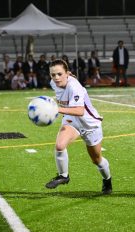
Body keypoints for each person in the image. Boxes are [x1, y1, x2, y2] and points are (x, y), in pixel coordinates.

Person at [45, 59, 112, 194]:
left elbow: (80, 111)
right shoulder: (54, 83)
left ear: (67, 73)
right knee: (59, 146)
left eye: (59, 74)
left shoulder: (74, 87)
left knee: (97, 160)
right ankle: (63, 176)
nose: (56, 78)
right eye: (53, 75)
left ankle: (107, 180)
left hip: (89, 124)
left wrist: (56, 109)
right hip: (72, 120)